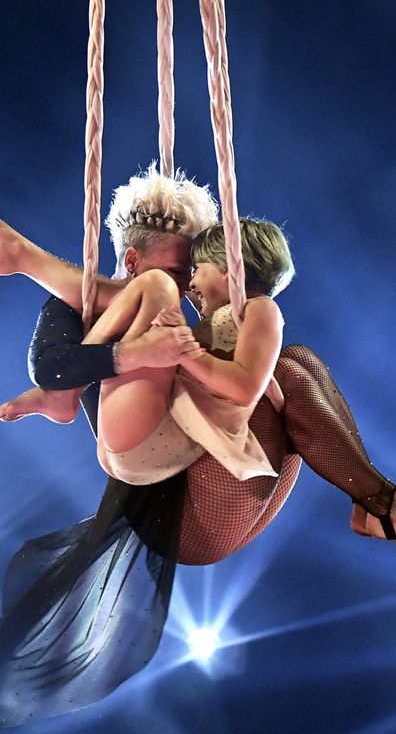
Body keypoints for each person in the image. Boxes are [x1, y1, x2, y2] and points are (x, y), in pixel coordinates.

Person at [0, 165, 395, 726]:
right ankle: (381, 503)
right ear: (134, 260)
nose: (188, 287)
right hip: (156, 474)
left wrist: (210, 344)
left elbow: (224, 373)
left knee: (296, 365)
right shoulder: (100, 300)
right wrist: (144, 354)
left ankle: (372, 502)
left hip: (200, 467)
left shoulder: (191, 310)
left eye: (196, 270)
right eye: (185, 268)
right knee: (160, 305)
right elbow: (53, 363)